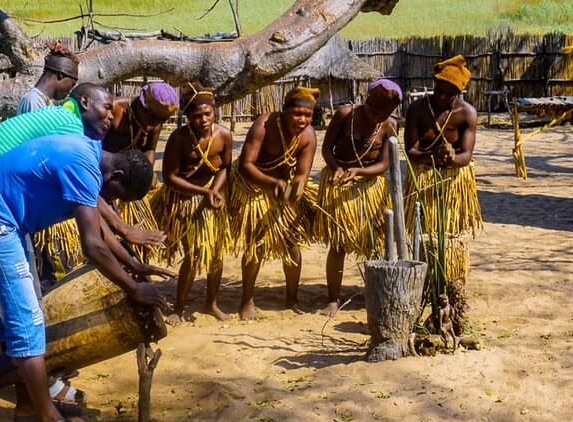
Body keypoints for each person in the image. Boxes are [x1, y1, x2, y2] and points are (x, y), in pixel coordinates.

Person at [0, 84, 164, 413]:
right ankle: (48, 421)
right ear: (117, 176)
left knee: (24, 315)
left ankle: (27, 404)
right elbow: (92, 245)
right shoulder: (83, 163)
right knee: (28, 324)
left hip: (4, 223)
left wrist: (135, 265)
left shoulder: (91, 153)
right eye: (117, 195)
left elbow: (100, 228)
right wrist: (133, 289)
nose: (111, 202)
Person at [403, 55, 481, 336]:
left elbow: (466, 155)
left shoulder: (467, 114)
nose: (442, 96)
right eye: (439, 90)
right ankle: (421, 293)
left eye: (449, 93)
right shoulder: (417, 109)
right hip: (423, 180)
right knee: (422, 236)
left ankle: (453, 298)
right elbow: (411, 152)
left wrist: (451, 159)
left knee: (451, 239)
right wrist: (434, 156)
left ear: (459, 92)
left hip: (453, 185)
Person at [229, 86, 319, 320]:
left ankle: (292, 298)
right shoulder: (264, 125)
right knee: (256, 243)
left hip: (281, 188)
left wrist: (296, 189)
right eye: (297, 114)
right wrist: (271, 183)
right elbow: (246, 165)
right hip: (252, 186)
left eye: (307, 115)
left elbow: (302, 173)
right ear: (284, 110)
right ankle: (247, 300)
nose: (302, 120)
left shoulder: (308, 136)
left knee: (291, 243)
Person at [315, 79, 401, 317]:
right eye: (374, 111)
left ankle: (374, 293)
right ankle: (333, 299)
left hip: (369, 188)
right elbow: (327, 149)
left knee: (373, 243)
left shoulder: (390, 125)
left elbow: (384, 164)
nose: (377, 118)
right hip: (339, 184)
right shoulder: (345, 114)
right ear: (367, 100)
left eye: (383, 114)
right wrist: (337, 168)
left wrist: (359, 172)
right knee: (338, 244)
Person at [152, 84, 233, 324]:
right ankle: (178, 307)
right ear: (188, 116)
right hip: (184, 199)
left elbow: (226, 167)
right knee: (193, 254)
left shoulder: (224, 135)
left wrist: (214, 190)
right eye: (197, 115)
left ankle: (212, 303)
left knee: (216, 254)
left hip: (212, 198)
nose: (203, 120)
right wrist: (202, 192)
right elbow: (170, 177)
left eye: (208, 114)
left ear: (214, 112)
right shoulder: (179, 138)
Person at [102, 82, 179, 261]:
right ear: (143, 107)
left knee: (138, 247)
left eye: (159, 122)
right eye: (153, 119)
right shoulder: (113, 112)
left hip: (132, 185)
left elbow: (150, 149)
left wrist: (146, 174)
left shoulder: (154, 122)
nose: (154, 126)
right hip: (106, 182)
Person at [17, 42, 79, 114]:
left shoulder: (42, 101)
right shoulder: (34, 101)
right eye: (72, 84)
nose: (71, 90)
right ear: (60, 75)